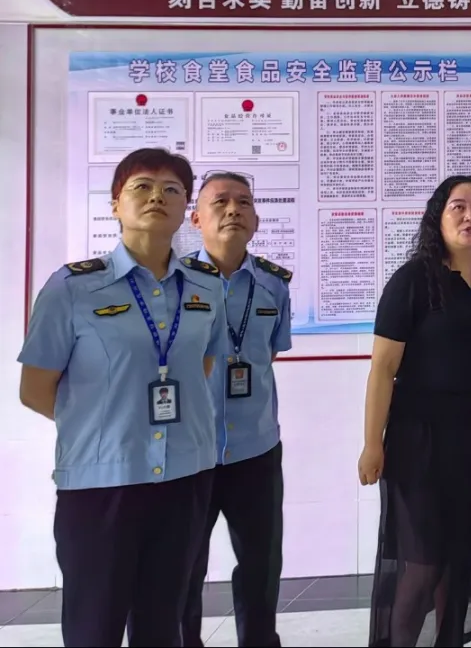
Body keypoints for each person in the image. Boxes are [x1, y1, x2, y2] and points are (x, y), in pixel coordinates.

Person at [18, 147, 231, 648]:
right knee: (94, 629)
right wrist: (107, 427)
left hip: (184, 479)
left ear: (185, 208)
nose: (157, 196)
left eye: (171, 189)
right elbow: (35, 389)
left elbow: (200, 367)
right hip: (101, 488)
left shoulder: (207, 289)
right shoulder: (72, 288)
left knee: (163, 627)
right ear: (116, 204)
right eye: (142, 186)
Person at [358, 175, 471, 647]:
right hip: (418, 438)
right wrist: (372, 443)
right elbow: (383, 369)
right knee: (423, 562)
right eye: (458, 206)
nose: (470, 215)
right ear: (438, 218)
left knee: (459, 562)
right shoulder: (412, 280)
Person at [181, 172, 293, 648]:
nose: (233, 210)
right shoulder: (174, 281)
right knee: (184, 566)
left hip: (256, 449)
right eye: (221, 201)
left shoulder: (273, 284)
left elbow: (269, 353)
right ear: (196, 219)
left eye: (244, 202)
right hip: (190, 453)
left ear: (256, 219)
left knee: (262, 565)